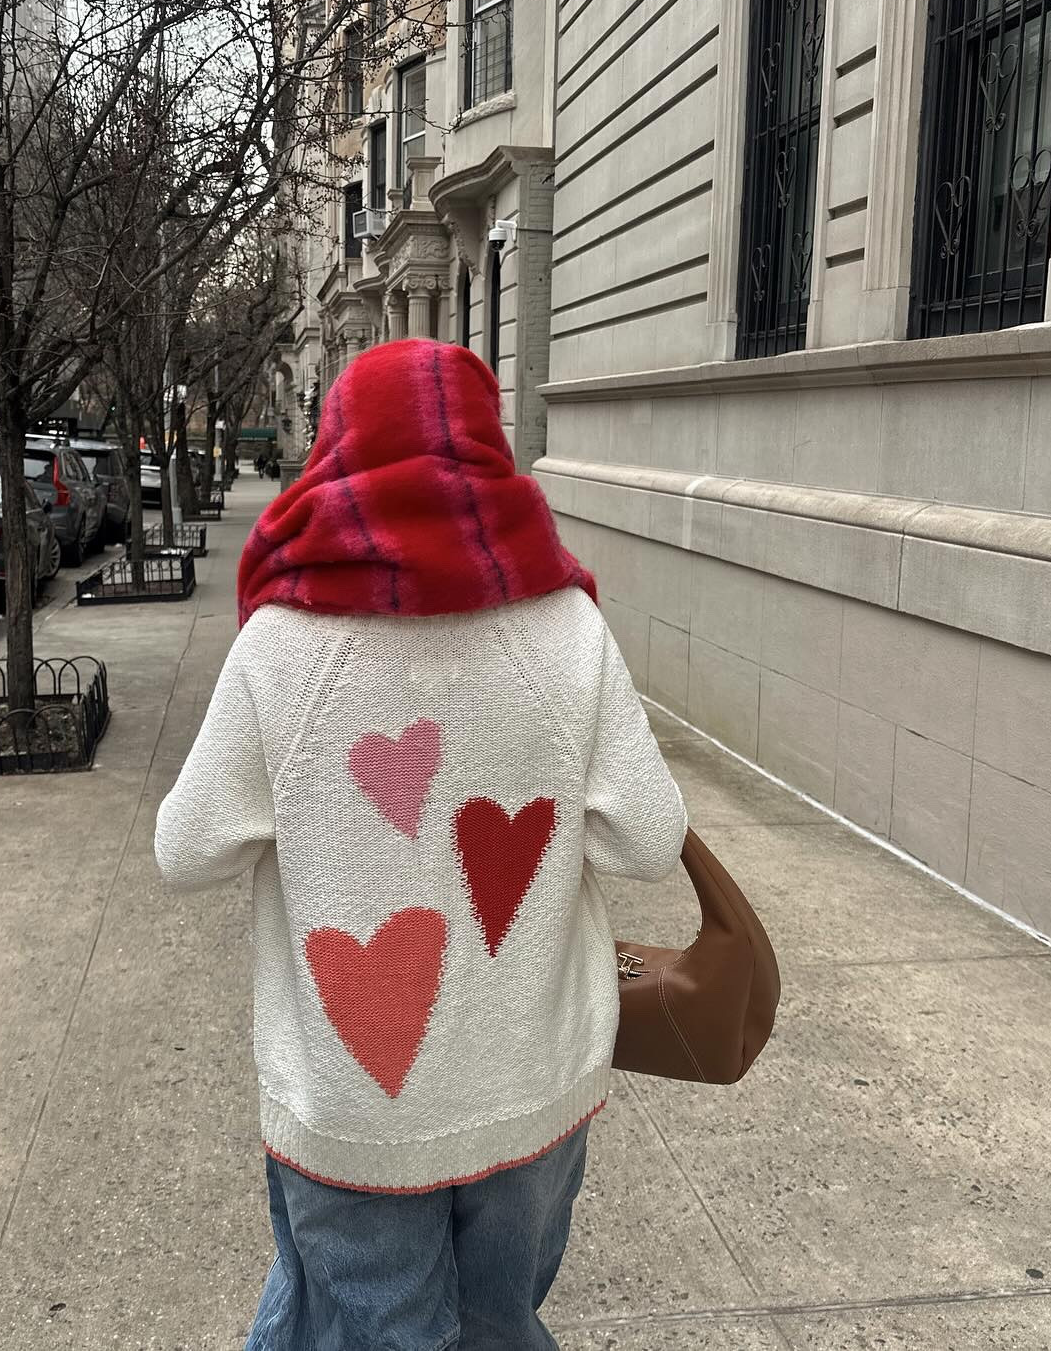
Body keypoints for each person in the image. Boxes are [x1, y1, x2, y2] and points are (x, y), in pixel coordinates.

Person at [155, 340, 687, 1350]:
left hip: (350, 1112)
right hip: (530, 1094)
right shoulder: (567, 621)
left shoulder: (282, 637)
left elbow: (185, 849)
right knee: (499, 1326)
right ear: (489, 445)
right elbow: (648, 839)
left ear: (336, 449)